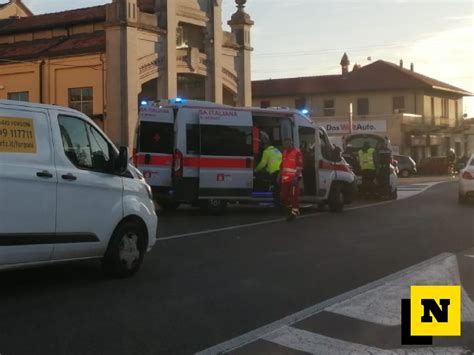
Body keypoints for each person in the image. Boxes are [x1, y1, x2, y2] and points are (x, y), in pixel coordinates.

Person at [280, 137, 303, 221]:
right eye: (284, 143)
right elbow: (283, 165)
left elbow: (300, 167)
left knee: (294, 196)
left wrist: (296, 178)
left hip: (294, 179)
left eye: (287, 143)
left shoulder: (297, 152)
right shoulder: (284, 152)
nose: (285, 145)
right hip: (285, 179)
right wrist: (279, 176)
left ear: (291, 143)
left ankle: (294, 212)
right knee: (284, 196)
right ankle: (290, 209)